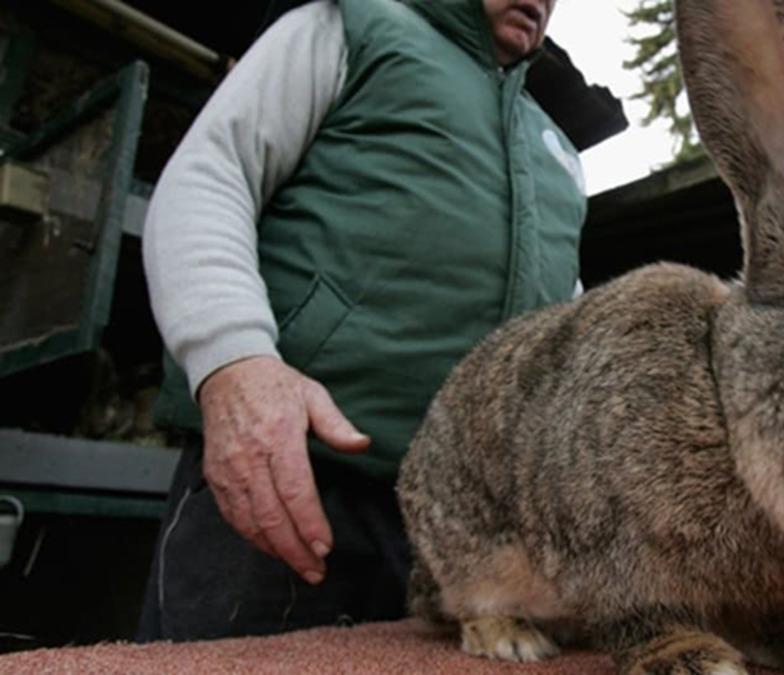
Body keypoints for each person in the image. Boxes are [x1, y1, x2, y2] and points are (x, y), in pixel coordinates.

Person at [137, 0, 583, 641]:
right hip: (297, 482)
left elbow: (568, 323)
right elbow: (211, 175)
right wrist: (234, 362)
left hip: (472, 535)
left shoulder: (559, 148)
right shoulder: (355, 26)